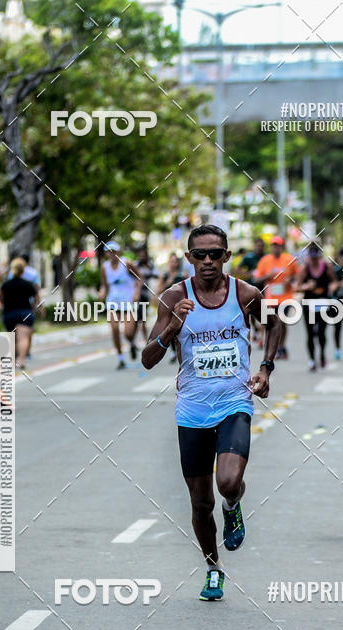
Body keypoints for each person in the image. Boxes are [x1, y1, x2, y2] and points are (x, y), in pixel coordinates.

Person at [141, 224, 282, 602]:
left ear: (226, 256)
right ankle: (213, 568)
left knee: (228, 483)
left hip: (234, 402)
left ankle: (233, 506)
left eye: (215, 254)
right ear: (189, 259)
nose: (207, 261)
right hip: (192, 410)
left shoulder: (245, 293)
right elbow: (148, 359)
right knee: (201, 504)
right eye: (199, 255)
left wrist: (266, 368)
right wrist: (172, 326)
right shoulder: (174, 297)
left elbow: (275, 323)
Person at [99, 240, 141, 369]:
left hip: (128, 303)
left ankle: (132, 343)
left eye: (114, 251)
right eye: (109, 252)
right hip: (113, 302)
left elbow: (139, 278)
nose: (112, 254)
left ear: (118, 252)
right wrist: (102, 292)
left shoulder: (127, 263)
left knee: (128, 333)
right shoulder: (104, 267)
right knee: (115, 329)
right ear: (106, 254)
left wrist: (136, 292)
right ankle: (120, 358)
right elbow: (105, 285)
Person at [255, 235, 297, 359]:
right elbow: (257, 278)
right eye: (273, 246)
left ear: (282, 247)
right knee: (271, 323)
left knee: (281, 321)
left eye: (277, 246)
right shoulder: (265, 260)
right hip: (270, 298)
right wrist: (268, 275)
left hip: (286, 297)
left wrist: (290, 280)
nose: (275, 248)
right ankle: (275, 347)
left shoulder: (289, 259)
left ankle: (281, 346)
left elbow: (297, 276)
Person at [295, 242, 336, 370]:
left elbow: (334, 282)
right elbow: (297, 287)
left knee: (322, 332)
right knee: (310, 333)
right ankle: (312, 360)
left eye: (316, 258)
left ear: (320, 256)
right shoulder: (305, 268)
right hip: (309, 303)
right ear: (308, 257)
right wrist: (306, 287)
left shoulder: (327, 267)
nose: (314, 260)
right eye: (312, 258)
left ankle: (322, 355)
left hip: (323, 302)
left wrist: (332, 287)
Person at [0, 257, 38, 369]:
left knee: (13, 338)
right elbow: (35, 298)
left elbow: (1, 298)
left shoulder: (6, 285)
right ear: (23, 270)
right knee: (23, 338)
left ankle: (13, 360)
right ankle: (22, 361)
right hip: (25, 312)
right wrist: (34, 309)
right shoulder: (27, 284)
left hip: (9, 314)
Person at [156, 252, 185, 363]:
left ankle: (181, 349)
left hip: (181, 306)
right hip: (168, 307)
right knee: (171, 329)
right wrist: (167, 283)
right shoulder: (164, 276)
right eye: (172, 261)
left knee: (181, 329)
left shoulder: (182, 275)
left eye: (175, 261)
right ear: (169, 263)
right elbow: (158, 290)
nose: (173, 263)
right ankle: (173, 350)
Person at [135, 246, 157, 343]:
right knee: (136, 319)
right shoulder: (135, 266)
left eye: (143, 255)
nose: (142, 257)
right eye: (140, 255)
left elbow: (156, 275)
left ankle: (145, 340)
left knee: (142, 320)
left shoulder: (150, 266)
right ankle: (134, 340)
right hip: (135, 295)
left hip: (144, 296)